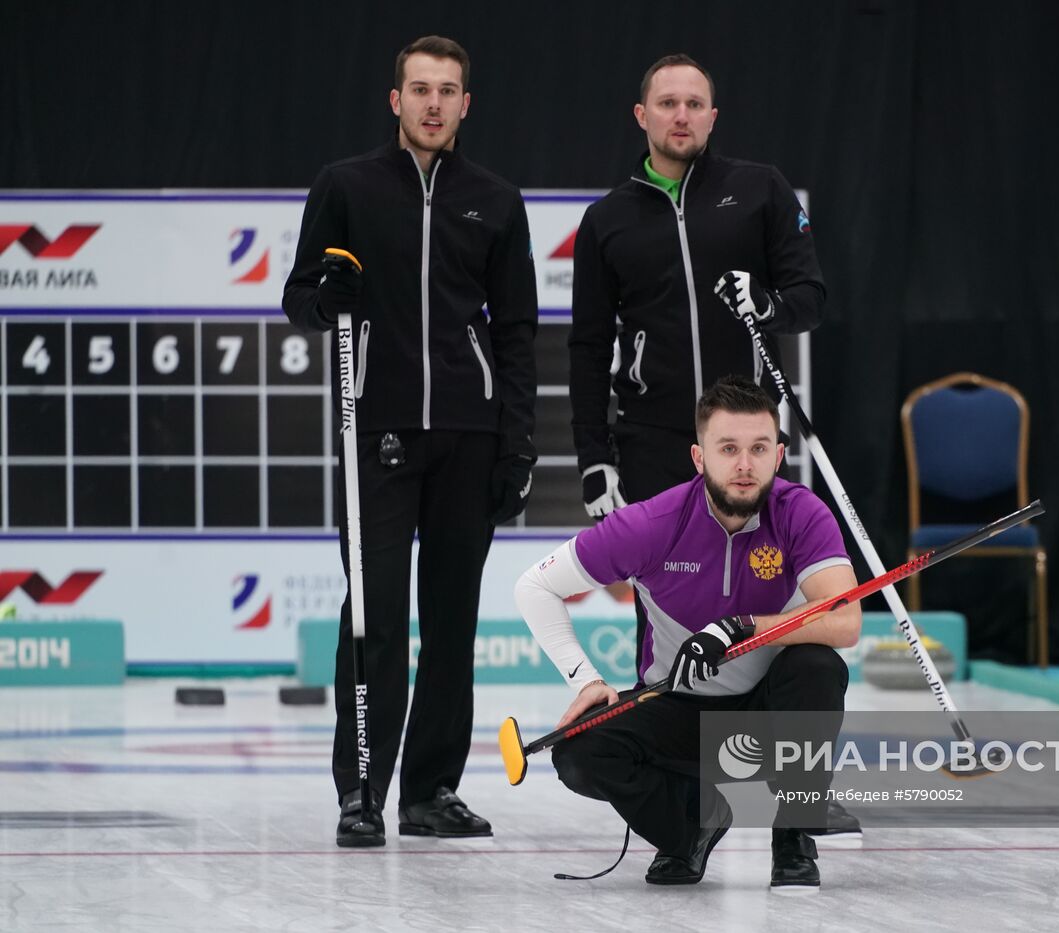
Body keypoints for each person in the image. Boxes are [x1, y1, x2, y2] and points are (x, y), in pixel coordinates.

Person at [567, 51, 863, 841]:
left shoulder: (759, 188)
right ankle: (678, 785)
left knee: (780, 609)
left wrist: (764, 300)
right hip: (656, 439)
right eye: (667, 103)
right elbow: (587, 345)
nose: (682, 116)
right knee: (660, 614)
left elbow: (810, 298)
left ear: (713, 115)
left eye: (696, 103)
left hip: (742, 438)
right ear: (643, 116)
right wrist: (592, 453)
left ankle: (793, 782)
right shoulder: (608, 220)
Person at [283, 35, 538, 847]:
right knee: (376, 618)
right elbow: (299, 300)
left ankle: (431, 791)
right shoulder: (346, 186)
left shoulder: (495, 199)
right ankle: (361, 790)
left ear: (467, 104)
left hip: (470, 434)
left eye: (449, 90)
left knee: (453, 619)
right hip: (379, 432)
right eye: (420, 89)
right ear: (396, 100)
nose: (434, 103)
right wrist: (330, 298)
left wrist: (517, 442)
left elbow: (519, 332)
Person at [514, 376, 858, 889]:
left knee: (816, 665)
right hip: (677, 707)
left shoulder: (800, 513)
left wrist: (743, 627)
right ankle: (690, 829)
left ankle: (792, 833)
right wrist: (584, 680)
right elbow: (534, 586)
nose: (745, 465)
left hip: (767, 708)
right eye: (728, 449)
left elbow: (844, 621)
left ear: (779, 454)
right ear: (699, 458)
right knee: (578, 754)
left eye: (759, 448)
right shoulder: (652, 523)